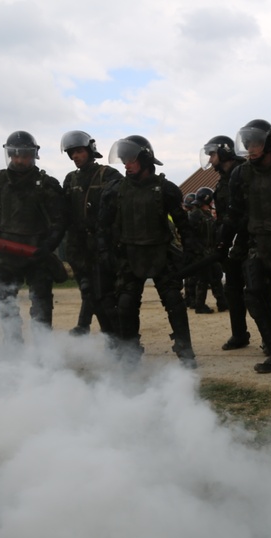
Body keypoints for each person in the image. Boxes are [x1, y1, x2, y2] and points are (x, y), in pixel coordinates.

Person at [101, 135, 201, 367]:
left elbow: (182, 223)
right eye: (124, 159)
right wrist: (104, 252)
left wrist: (190, 250)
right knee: (125, 305)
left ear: (145, 159)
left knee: (175, 303)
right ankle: (129, 355)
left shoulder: (165, 189)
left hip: (161, 253)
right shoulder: (116, 190)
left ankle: (186, 354)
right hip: (129, 255)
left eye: (131, 159)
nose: (126, 164)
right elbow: (103, 226)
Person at [0, 131, 67, 346]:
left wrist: (47, 247)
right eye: (15, 154)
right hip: (6, 253)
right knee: (3, 300)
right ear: (9, 154)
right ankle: (13, 345)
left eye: (24, 155)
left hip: (37, 252)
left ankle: (43, 350)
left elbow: (60, 221)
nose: (19, 159)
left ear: (33, 155)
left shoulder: (46, 183)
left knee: (42, 305)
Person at [229, 119, 271, 373]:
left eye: (255, 143)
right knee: (255, 296)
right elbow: (235, 213)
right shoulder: (241, 173)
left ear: (268, 143)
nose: (251, 149)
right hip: (258, 242)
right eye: (247, 144)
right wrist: (226, 243)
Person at [60, 130, 123, 337]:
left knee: (107, 297)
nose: (75, 156)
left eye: (79, 151)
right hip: (79, 247)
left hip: (103, 245)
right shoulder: (70, 180)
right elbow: (65, 213)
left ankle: (118, 339)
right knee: (89, 292)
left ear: (89, 150)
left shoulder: (108, 175)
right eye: (72, 153)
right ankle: (102, 332)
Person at [200, 135, 251, 351]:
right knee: (232, 291)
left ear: (224, 152)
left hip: (249, 242)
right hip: (229, 245)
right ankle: (239, 335)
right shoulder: (223, 180)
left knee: (259, 293)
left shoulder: (245, 174)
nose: (211, 160)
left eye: (212, 154)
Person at [187, 186, 227, 314]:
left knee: (216, 276)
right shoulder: (195, 215)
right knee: (203, 279)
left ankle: (222, 303)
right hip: (201, 253)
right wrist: (198, 251)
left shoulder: (207, 214)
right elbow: (191, 236)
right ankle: (199, 305)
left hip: (210, 252)